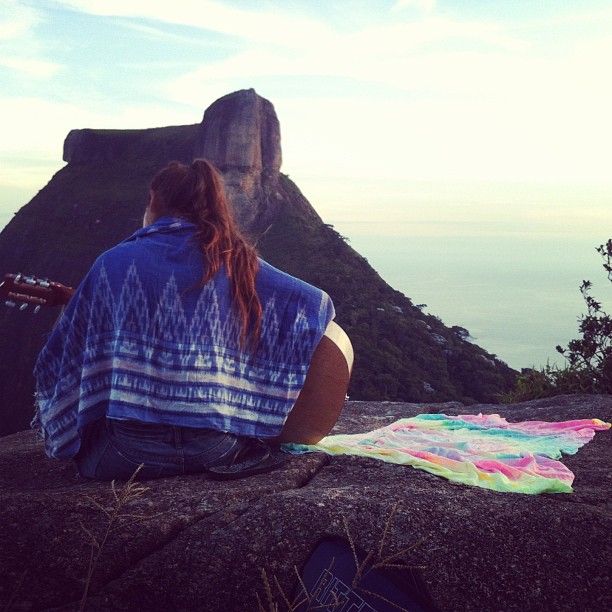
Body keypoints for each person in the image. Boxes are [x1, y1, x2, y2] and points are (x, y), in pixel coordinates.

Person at [33, 159, 336, 481]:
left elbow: (60, 358)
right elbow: (315, 303)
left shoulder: (115, 262)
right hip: (217, 450)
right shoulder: (240, 262)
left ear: (154, 200)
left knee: (88, 441)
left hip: (126, 456)